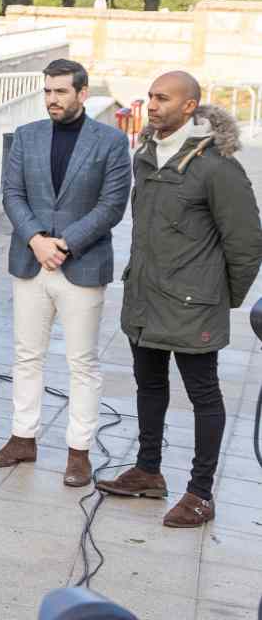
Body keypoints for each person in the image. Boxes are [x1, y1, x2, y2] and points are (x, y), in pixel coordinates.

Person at [98, 71, 262, 527]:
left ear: (191, 106)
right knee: (149, 385)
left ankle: (200, 493)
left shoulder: (216, 166)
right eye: (150, 97)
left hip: (194, 307)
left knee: (203, 395)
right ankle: (148, 470)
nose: (152, 105)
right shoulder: (146, 155)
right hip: (145, 300)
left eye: (163, 98)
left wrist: (219, 297)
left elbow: (247, 242)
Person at [0, 59, 130, 487]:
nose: (51, 99)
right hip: (30, 261)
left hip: (81, 263)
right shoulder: (27, 137)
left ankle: (79, 451)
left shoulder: (111, 142)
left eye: (60, 92)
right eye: (47, 91)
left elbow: (112, 205)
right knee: (26, 355)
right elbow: (12, 194)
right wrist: (36, 240)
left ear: (82, 94)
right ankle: (22, 438)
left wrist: (64, 243)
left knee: (81, 362)